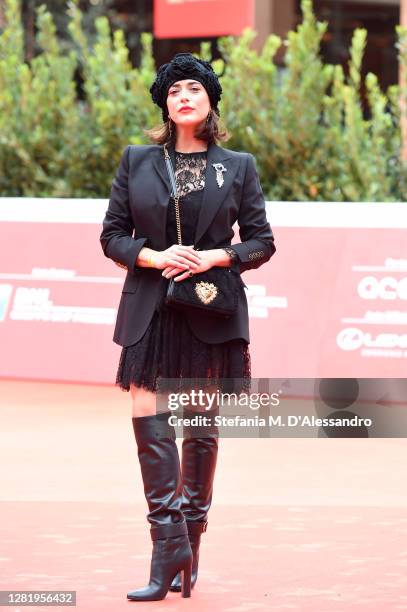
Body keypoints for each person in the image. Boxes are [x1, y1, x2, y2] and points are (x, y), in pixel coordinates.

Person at [100, 52, 276, 602]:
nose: (184, 97)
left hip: (208, 308)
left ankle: (191, 545)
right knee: (150, 427)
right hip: (150, 308)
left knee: (199, 430)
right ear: (165, 104)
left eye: (193, 90)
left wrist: (216, 257)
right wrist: (153, 257)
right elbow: (112, 236)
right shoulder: (136, 161)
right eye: (174, 91)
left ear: (209, 101)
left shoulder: (238, 165)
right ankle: (166, 547)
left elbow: (261, 241)